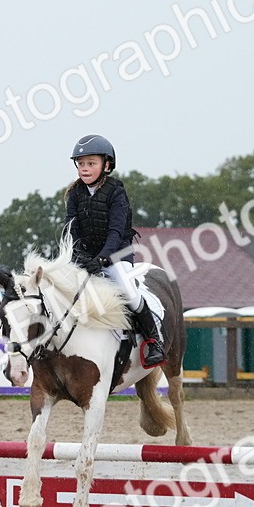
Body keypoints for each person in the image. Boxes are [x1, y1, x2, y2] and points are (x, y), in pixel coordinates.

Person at [64, 134, 165, 367]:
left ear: (106, 165)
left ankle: (154, 341)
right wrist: (80, 256)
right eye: (81, 164)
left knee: (128, 291)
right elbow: (72, 229)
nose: (85, 168)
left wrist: (102, 258)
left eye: (91, 163)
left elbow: (116, 231)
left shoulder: (116, 192)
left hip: (116, 253)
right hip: (86, 257)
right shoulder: (75, 194)